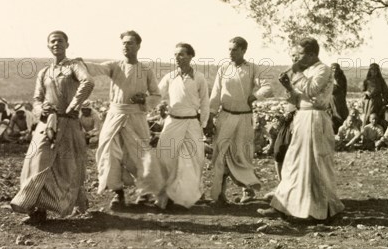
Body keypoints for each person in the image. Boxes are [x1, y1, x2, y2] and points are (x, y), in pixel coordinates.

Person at [11, 31, 95, 224]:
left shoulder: (75, 65)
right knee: (36, 162)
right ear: (48, 46)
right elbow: (37, 99)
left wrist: (74, 105)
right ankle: (35, 208)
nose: (56, 43)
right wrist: (42, 110)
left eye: (60, 40)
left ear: (67, 44)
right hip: (46, 123)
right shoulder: (44, 72)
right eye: (52, 41)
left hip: (69, 123)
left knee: (68, 166)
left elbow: (88, 82)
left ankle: (68, 203)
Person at [258, 38, 344, 221]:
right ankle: (281, 206)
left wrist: (296, 74)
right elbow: (298, 99)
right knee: (293, 163)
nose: (297, 59)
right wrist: (289, 86)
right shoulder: (307, 71)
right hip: (303, 117)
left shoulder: (323, 69)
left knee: (315, 165)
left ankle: (319, 210)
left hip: (316, 119)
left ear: (313, 54)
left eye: (301, 54)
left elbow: (312, 91)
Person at [82, 30, 162, 208]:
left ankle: (146, 193)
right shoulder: (114, 66)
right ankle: (118, 193)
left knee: (141, 155)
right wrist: (77, 63)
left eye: (130, 43)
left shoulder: (146, 70)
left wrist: (144, 99)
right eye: (124, 43)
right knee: (109, 153)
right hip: (115, 115)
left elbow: (157, 95)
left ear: (139, 46)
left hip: (136, 117)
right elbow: (96, 68)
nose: (126, 46)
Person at [207, 37, 273, 204]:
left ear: (244, 50)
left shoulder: (251, 69)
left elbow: (267, 86)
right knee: (221, 154)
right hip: (225, 116)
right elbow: (215, 94)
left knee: (242, 154)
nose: (231, 53)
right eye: (229, 49)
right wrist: (210, 115)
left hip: (243, 117)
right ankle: (220, 194)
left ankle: (248, 190)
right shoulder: (224, 68)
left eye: (235, 49)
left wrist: (255, 96)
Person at [154, 43, 210, 209]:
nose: (177, 58)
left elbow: (205, 102)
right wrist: (158, 105)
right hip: (172, 122)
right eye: (176, 54)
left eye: (181, 54)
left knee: (192, 159)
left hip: (192, 122)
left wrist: (204, 123)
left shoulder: (199, 78)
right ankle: (164, 197)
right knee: (165, 156)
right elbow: (157, 94)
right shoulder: (170, 77)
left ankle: (188, 196)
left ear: (191, 56)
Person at [330, 63, 349, 132]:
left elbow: (342, 88)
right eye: (333, 68)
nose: (334, 70)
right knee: (332, 113)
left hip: (339, 98)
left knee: (340, 112)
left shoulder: (341, 77)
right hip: (331, 98)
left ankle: (343, 128)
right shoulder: (329, 77)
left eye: (336, 68)